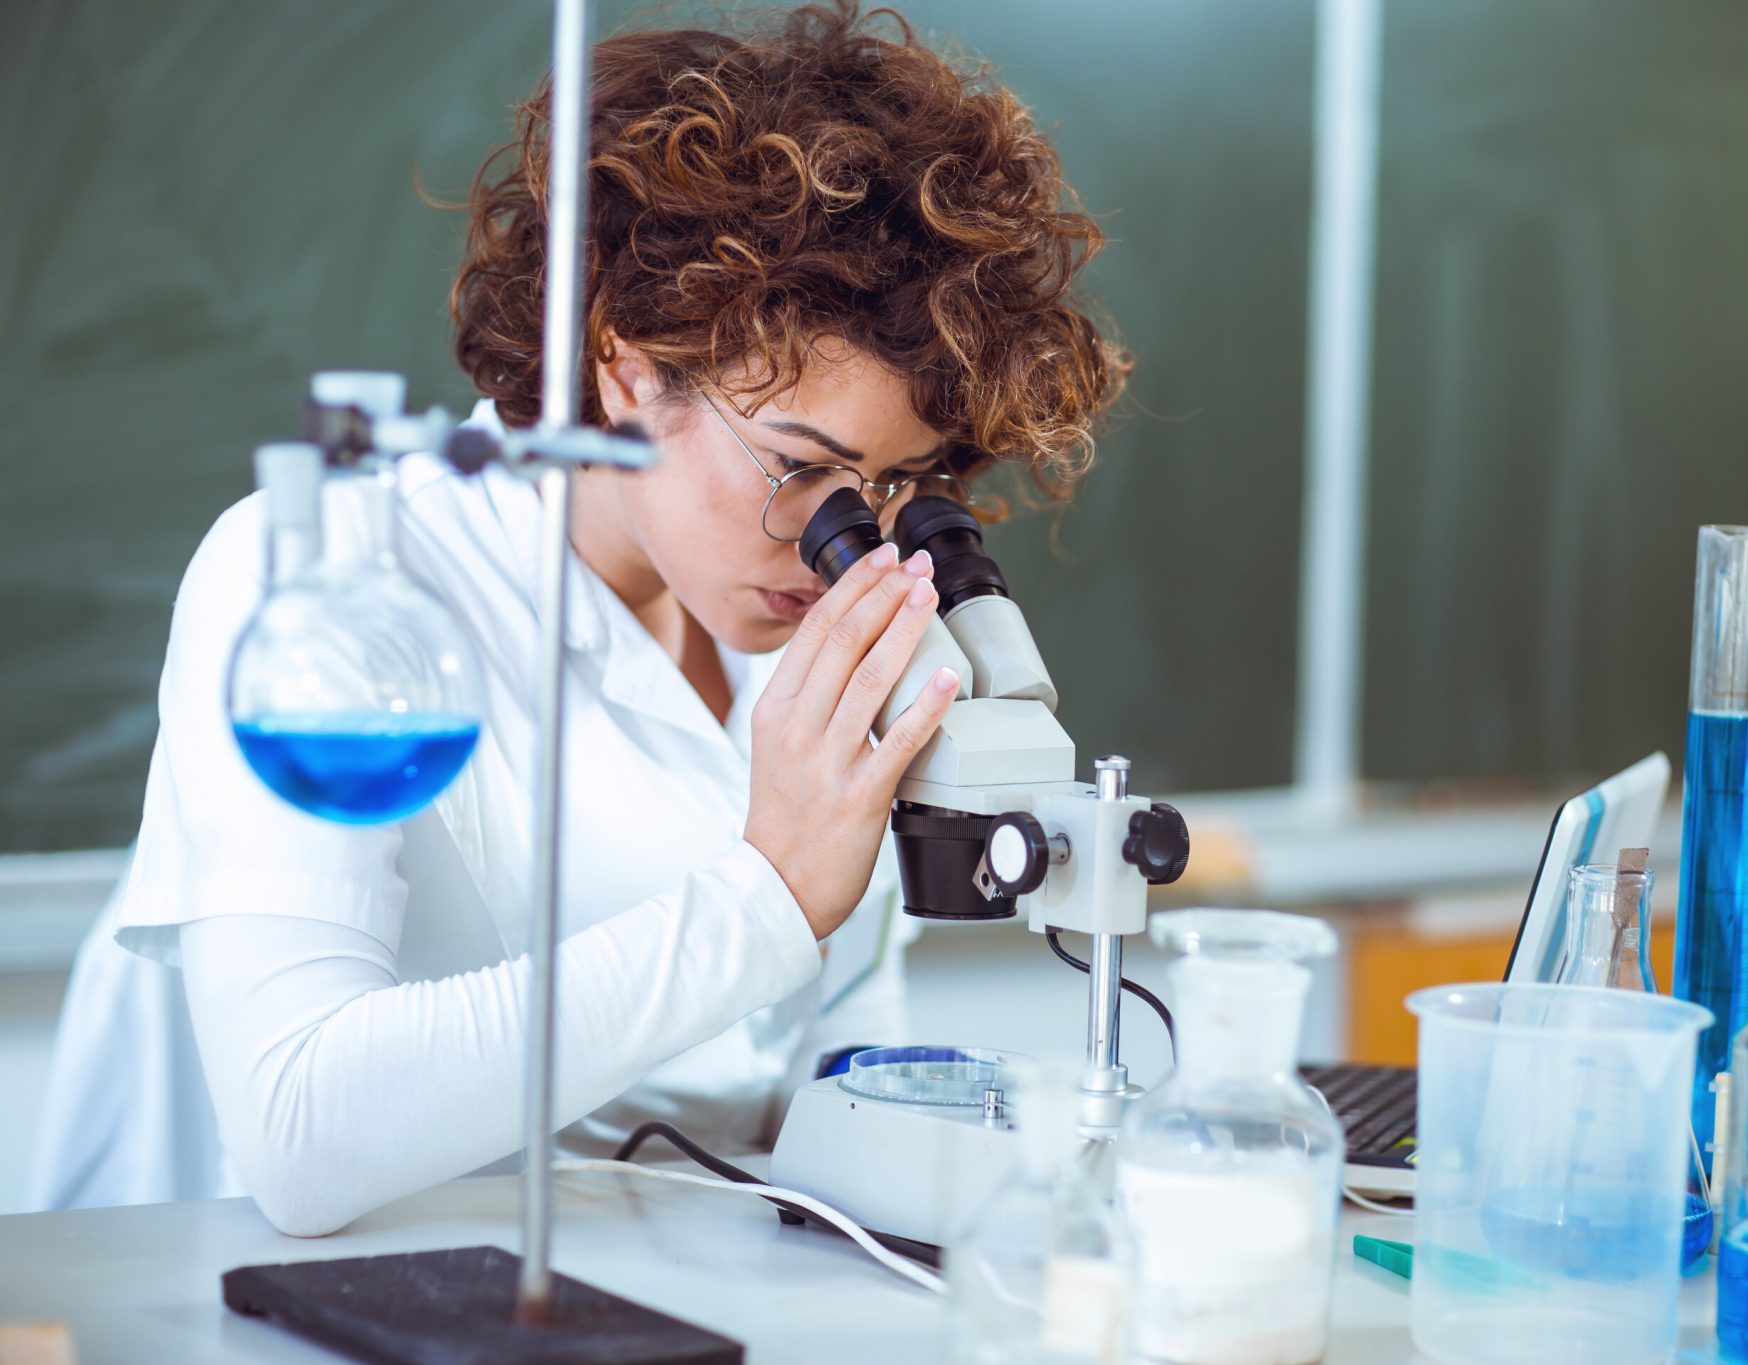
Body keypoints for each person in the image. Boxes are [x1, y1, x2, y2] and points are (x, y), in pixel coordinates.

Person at [26, 1, 1125, 1235]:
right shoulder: (335, 581)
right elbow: (299, 1129)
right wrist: (765, 897)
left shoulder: (800, 640)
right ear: (624, 362)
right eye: (799, 469)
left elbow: (828, 1073)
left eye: (887, 488)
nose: (840, 544)